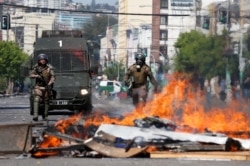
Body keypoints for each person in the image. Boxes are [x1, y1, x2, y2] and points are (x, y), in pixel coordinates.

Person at [29, 53, 55, 121]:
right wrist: (36, 76)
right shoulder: (36, 67)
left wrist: (49, 84)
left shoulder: (49, 68)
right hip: (39, 87)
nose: (43, 61)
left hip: (47, 87)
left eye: (44, 59)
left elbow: (53, 77)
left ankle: (45, 115)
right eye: (41, 59)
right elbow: (31, 75)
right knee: (36, 99)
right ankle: (35, 115)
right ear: (39, 60)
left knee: (46, 101)